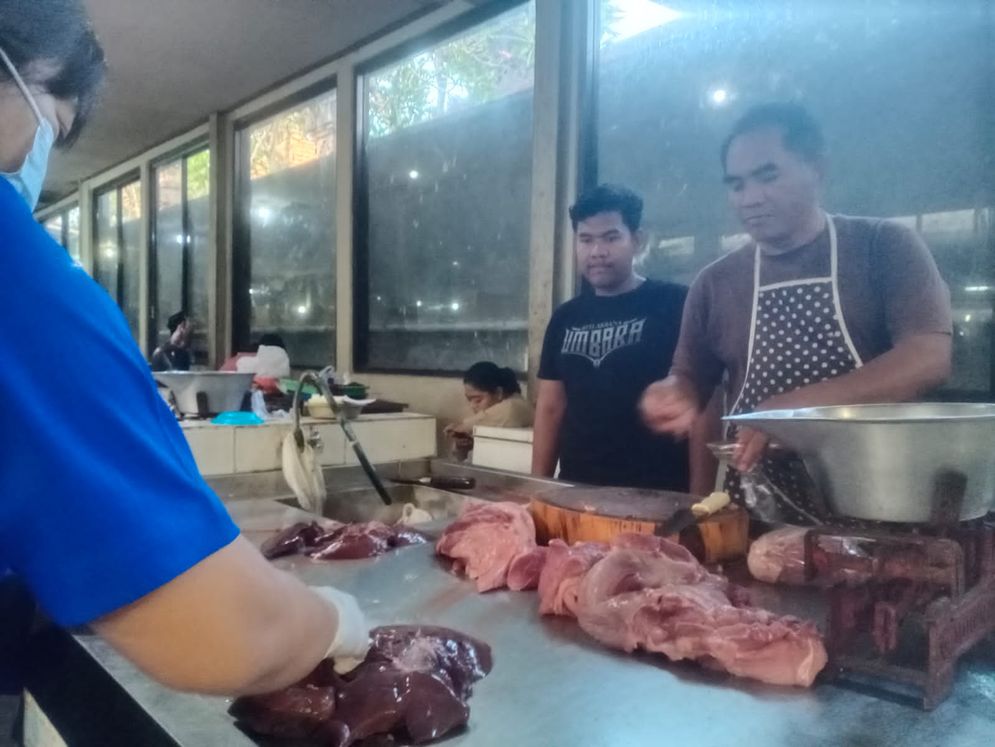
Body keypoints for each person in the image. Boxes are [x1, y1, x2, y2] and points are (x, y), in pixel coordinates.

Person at [0, 0, 368, 701]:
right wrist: (332, 621)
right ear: (23, 66)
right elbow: (225, 637)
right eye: (55, 121)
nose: (38, 154)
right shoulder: (14, 268)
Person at [641, 102, 952, 523]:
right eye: (736, 185)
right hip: (754, 519)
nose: (750, 198)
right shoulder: (715, 282)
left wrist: (792, 413)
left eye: (767, 177)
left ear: (817, 168)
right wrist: (672, 393)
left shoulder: (883, 246)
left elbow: (927, 357)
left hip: (877, 511)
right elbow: (691, 377)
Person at [532, 184, 689, 491]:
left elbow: (705, 403)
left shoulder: (675, 304)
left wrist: (700, 496)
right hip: (576, 492)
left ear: (637, 240)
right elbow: (551, 407)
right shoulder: (565, 317)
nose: (597, 252)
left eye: (611, 237)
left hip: (657, 494)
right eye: (586, 239)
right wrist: (537, 488)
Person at [444, 362, 534, 459]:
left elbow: (509, 410)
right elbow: (460, 460)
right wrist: (462, 446)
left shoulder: (517, 406)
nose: (472, 406)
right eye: (469, 400)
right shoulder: (487, 418)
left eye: (478, 400)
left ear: (499, 393)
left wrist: (464, 427)